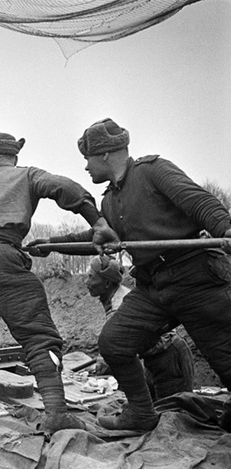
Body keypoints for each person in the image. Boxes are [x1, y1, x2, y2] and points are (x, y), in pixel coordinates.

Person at [0, 132, 118, 433]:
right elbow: (64, 187)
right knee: (39, 336)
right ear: (15, 157)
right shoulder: (26, 174)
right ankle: (57, 413)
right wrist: (97, 222)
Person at [60, 117, 231, 432]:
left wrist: (226, 229)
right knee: (114, 342)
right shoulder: (110, 201)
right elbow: (94, 239)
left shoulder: (153, 171)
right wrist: (48, 245)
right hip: (154, 286)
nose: (85, 166)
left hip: (196, 277)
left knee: (225, 360)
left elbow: (200, 202)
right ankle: (141, 412)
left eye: (87, 158)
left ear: (105, 154)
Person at [85, 255, 194, 400]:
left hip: (168, 356)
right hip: (155, 357)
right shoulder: (116, 296)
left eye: (91, 277)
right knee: (155, 405)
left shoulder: (120, 305)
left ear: (106, 283)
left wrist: (101, 367)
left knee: (173, 407)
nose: (87, 282)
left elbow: (118, 346)